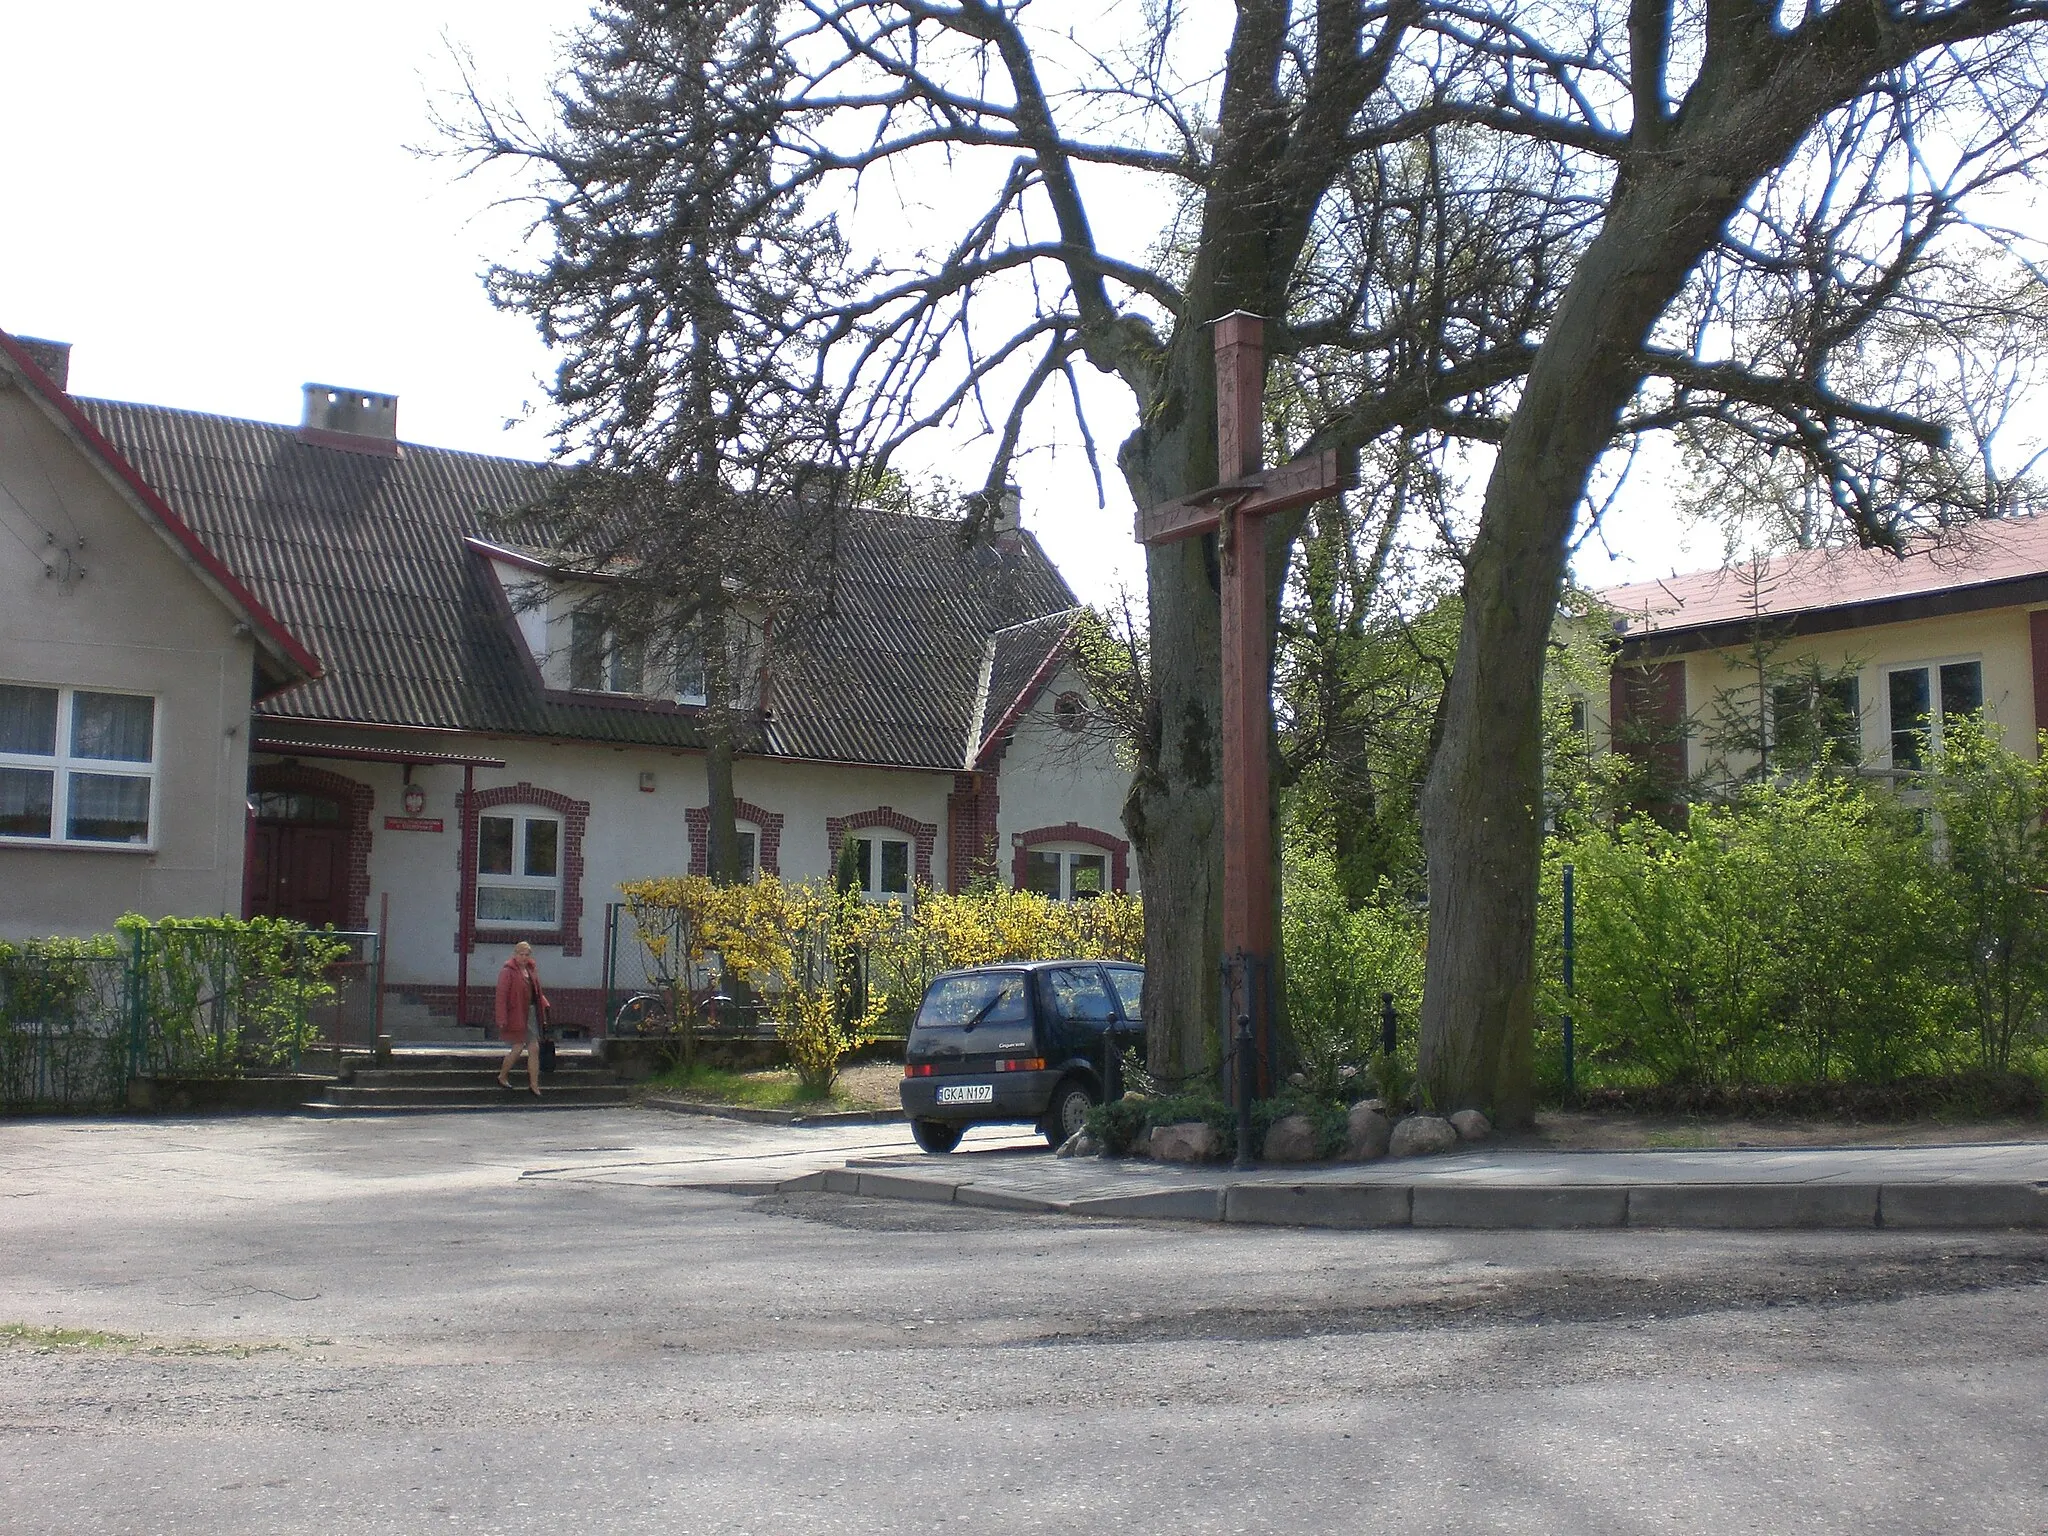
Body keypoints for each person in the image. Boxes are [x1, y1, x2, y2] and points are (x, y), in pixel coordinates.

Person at [495, 941, 550, 1097]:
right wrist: (501, 1018)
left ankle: (534, 1084)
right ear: (515, 954)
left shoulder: (531, 970)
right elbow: (501, 996)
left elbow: (536, 992)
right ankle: (502, 1075)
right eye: (521, 954)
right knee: (518, 1047)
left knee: (534, 1048)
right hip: (514, 1015)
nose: (524, 958)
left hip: (528, 1015)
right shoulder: (508, 971)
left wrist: (544, 1004)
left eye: (527, 955)